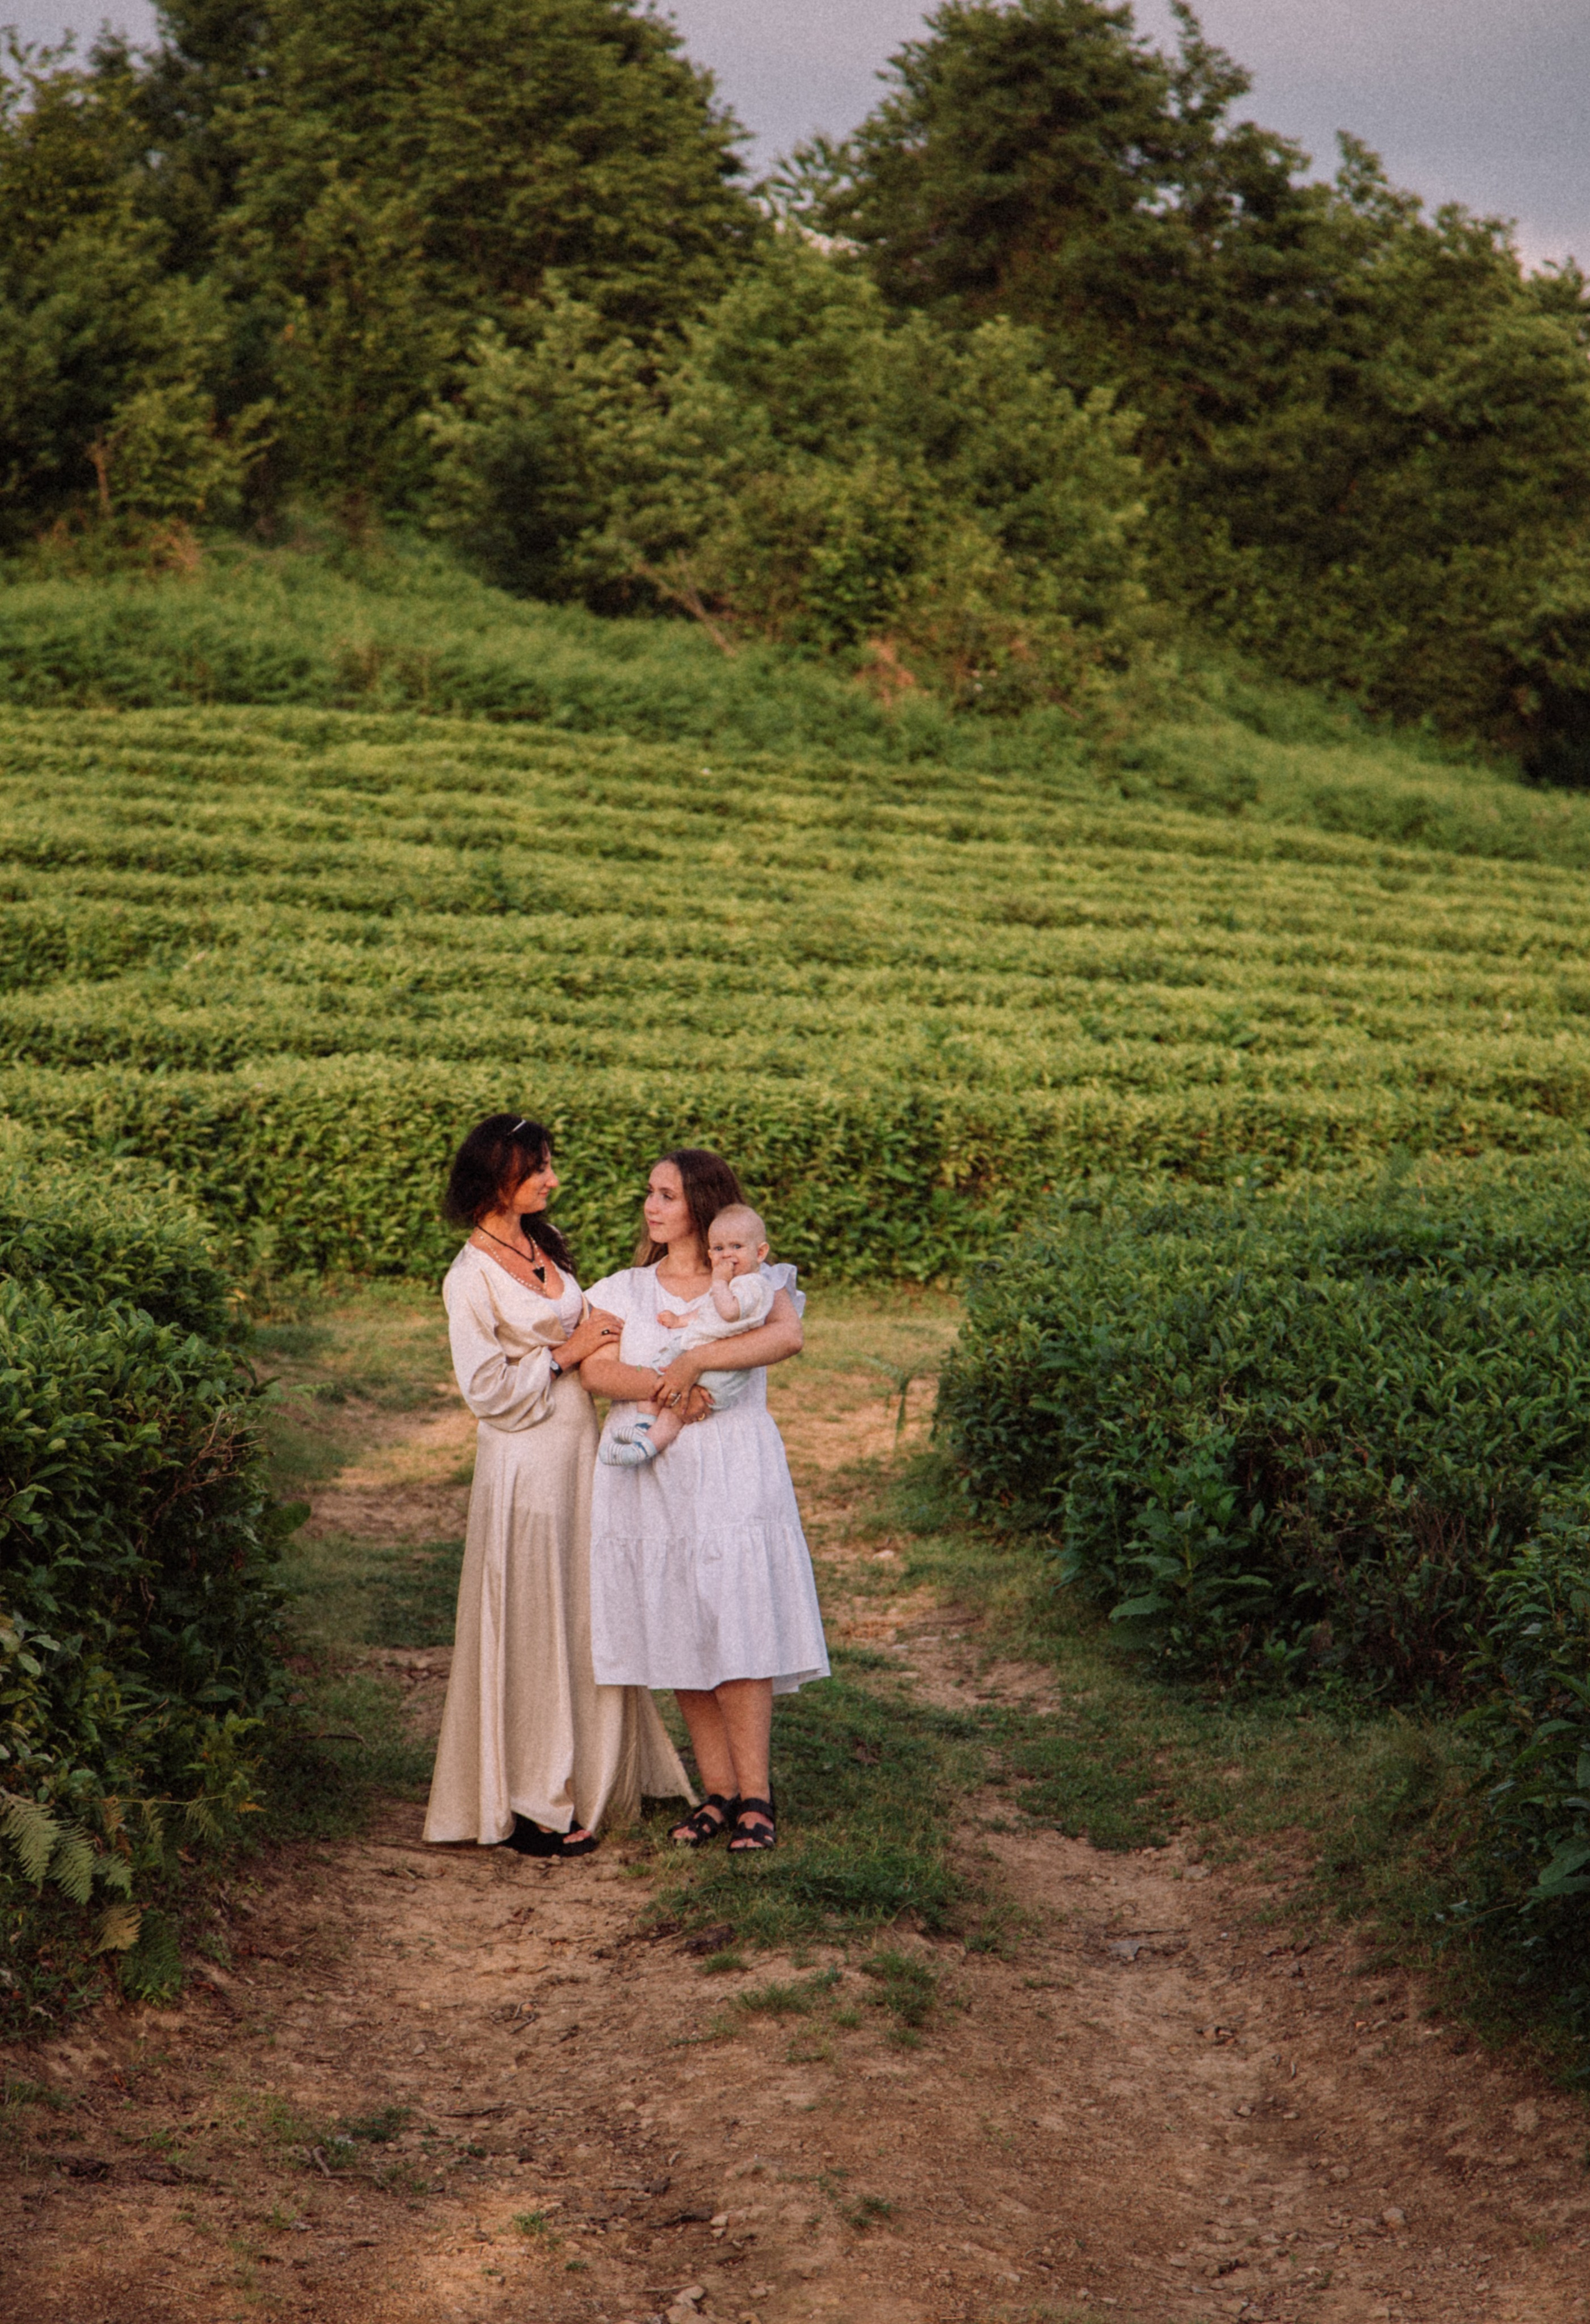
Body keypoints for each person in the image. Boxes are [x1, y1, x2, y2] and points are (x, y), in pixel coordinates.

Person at [423, 1113, 694, 1859]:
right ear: (495, 1177)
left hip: (579, 1447)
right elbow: (486, 1392)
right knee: (534, 1614)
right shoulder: (469, 1276)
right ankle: (530, 1793)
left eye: (549, 1164)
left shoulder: (541, 1244)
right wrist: (565, 1354)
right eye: (537, 1167)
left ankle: (595, 1766)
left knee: (584, 1602)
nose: (552, 1179)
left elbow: (589, 1329)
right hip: (525, 1460)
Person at [582, 1151, 828, 1854]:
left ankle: (757, 1795)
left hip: (732, 1467)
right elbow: (596, 1370)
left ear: (701, 1202)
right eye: (649, 1192)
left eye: (666, 1194)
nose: (651, 1206)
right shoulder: (624, 1288)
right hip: (656, 1476)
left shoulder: (752, 1276)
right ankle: (717, 1792)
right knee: (681, 1621)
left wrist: (697, 1361)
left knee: (737, 1618)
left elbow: (787, 1336)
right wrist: (668, 1385)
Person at [599, 1203, 774, 1466]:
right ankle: (643, 1426)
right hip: (694, 1345)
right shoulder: (732, 1284)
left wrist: (719, 1282)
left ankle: (647, 1446)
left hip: (722, 1367)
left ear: (760, 1253)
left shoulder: (754, 1285)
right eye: (719, 1249)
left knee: (678, 1409)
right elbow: (709, 1312)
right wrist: (680, 1320)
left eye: (737, 1247)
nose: (727, 1255)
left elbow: (728, 1312)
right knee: (658, 1371)